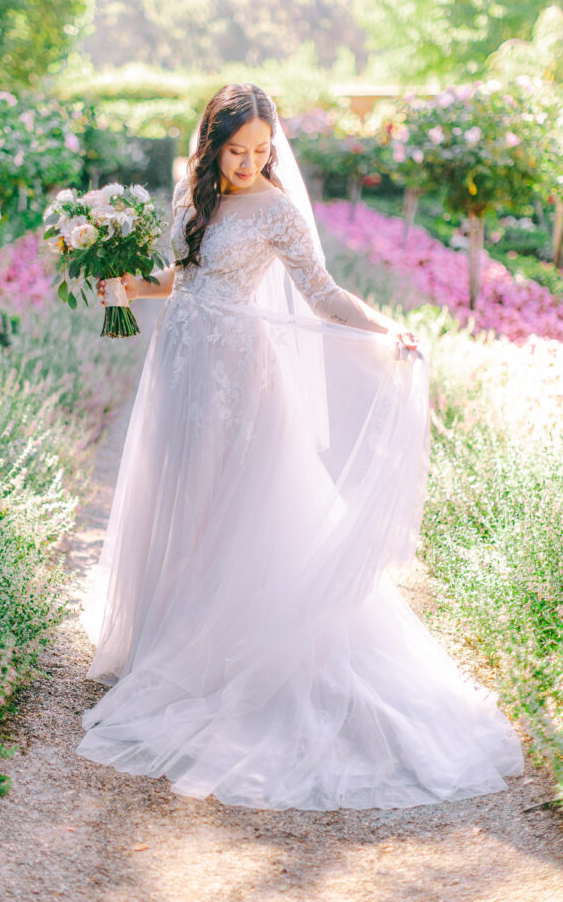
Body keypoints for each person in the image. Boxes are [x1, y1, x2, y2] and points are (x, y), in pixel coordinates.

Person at [76, 83, 523, 811]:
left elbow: (322, 293)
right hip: (181, 368)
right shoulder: (190, 198)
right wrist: (125, 287)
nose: (250, 162)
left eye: (260, 150)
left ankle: (223, 656)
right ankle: (169, 642)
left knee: (233, 506)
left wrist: (383, 330)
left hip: (237, 376)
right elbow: (181, 280)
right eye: (236, 151)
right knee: (181, 498)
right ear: (211, 142)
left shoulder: (277, 209)